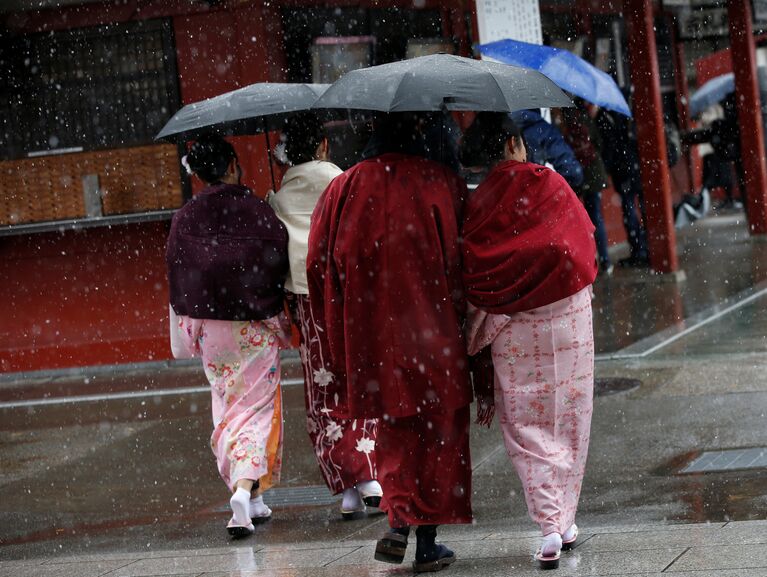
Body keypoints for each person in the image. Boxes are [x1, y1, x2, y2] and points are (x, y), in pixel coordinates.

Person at [307, 112, 473, 573]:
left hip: (371, 332)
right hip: (433, 329)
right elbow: (463, 261)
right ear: (418, 132)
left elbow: (319, 263)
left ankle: (400, 517)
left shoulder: (343, 189)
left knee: (393, 428)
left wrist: (336, 322)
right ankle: (427, 539)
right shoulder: (440, 182)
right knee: (439, 431)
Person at [459, 112, 597, 570]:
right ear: (515, 144)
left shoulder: (479, 202)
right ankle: (565, 517)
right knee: (569, 417)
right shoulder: (551, 184)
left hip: (513, 325)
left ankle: (549, 525)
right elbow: (583, 244)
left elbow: (476, 268)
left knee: (526, 426)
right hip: (565, 317)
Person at [166, 135, 290, 538]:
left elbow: (179, 270)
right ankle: (242, 488)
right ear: (233, 166)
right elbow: (277, 258)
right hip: (252, 321)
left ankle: (251, 497)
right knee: (256, 410)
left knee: (227, 404)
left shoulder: (186, 218)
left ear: (198, 173)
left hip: (211, 324)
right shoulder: (256, 211)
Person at [267, 112, 383, 520]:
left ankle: (346, 480)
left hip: (306, 296)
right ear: (322, 147)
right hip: (345, 292)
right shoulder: (343, 181)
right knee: (356, 375)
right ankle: (369, 472)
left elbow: (277, 254)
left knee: (322, 388)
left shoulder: (279, 198)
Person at [559, 100, 613, 275]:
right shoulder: (585, 119)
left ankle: (588, 260)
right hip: (593, 171)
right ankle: (605, 260)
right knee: (595, 216)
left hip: (577, 172)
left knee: (580, 218)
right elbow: (598, 142)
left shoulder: (566, 126)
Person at [595, 106, 650, 267]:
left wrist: (605, 167)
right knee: (639, 209)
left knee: (630, 211)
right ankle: (645, 248)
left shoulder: (606, 117)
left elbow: (610, 145)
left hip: (623, 170)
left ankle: (639, 249)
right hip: (635, 166)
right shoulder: (626, 111)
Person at [510, 108, 584, 189]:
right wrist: (576, 180)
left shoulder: (501, 119)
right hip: (525, 187)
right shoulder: (535, 124)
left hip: (507, 186)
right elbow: (560, 153)